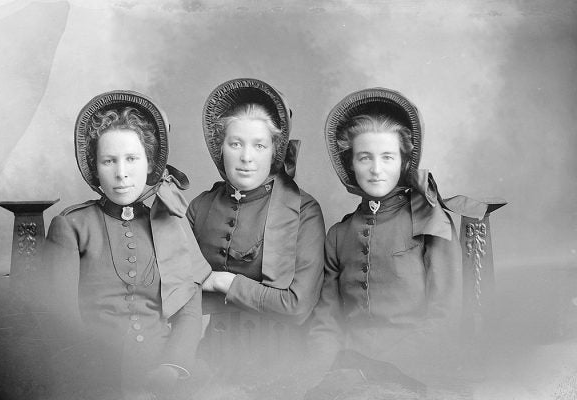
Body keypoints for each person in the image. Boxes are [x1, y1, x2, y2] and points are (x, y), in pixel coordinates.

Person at [44, 90, 210, 400]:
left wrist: (171, 368)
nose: (121, 173)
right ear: (95, 167)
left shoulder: (171, 224)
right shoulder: (71, 227)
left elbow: (188, 313)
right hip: (94, 378)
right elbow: (61, 323)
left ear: (150, 164)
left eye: (132, 159)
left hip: (165, 375)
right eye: (109, 161)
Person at [307, 88, 464, 399]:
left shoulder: (431, 221)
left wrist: (377, 370)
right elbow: (327, 322)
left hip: (418, 374)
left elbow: (446, 316)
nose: (376, 169)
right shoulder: (339, 235)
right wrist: (316, 374)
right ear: (350, 163)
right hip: (346, 375)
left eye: (387, 157)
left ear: (404, 162)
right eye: (365, 157)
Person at [187, 78, 325, 377]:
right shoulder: (200, 206)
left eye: (259, 145)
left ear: (275, 150)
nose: (246, 157)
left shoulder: (303, 210)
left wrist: (223, 282)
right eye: (235, 144)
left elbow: (297, 306)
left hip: (280, 365)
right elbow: (177, 292)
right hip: (210, 360)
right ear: (219, 147)